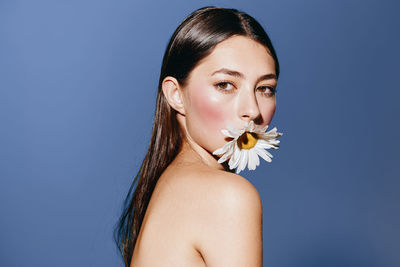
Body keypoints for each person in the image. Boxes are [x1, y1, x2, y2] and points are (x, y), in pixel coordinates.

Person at [114, 6, 280, 267]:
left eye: (265, 88)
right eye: (225, 85)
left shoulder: (168, 186)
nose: (252, 110)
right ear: (176, 95)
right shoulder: (228, 196)